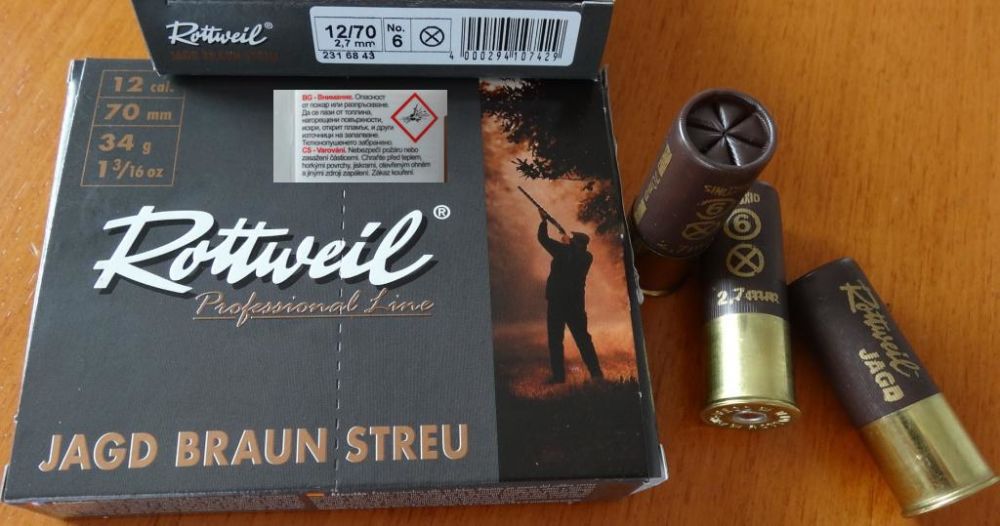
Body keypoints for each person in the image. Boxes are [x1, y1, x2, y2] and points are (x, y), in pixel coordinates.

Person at [536, 210, 604, 383]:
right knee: (580, 340)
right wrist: (545, 222)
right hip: (574, 304)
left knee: (560, 340)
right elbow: (566, 251)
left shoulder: (572, 253)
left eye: (573, 239)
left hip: (559, 303)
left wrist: (544, 223)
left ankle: (562, 377)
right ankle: (594, 374)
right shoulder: (583, 255)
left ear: (578, 244)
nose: (570, 239)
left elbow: (544, 240)